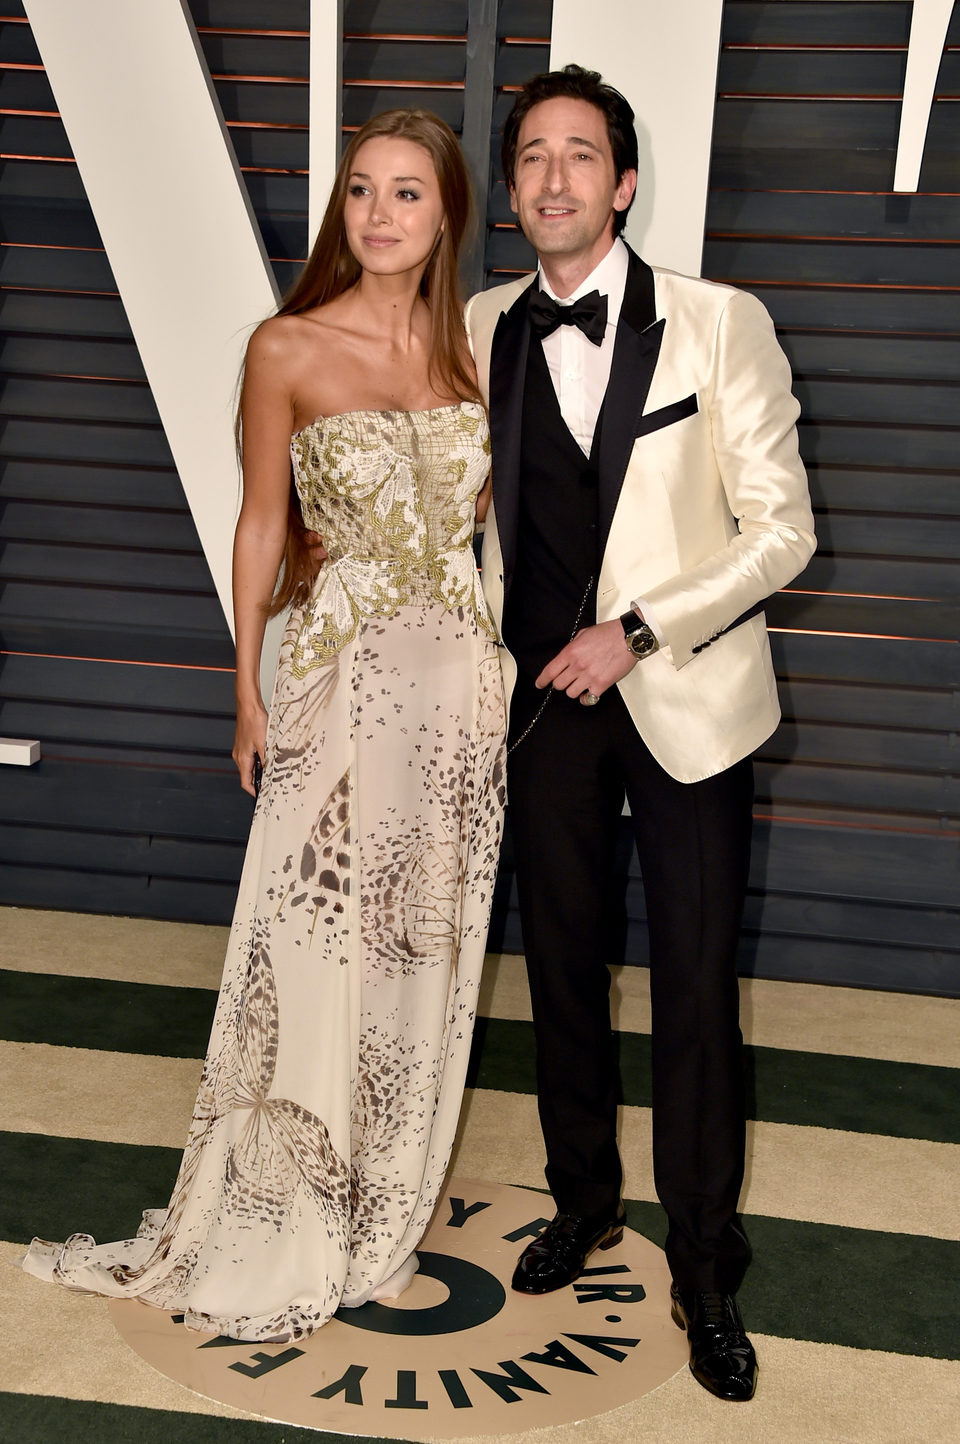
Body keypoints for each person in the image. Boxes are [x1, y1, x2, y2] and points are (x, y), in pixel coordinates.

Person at [21, 109, 506, 1342]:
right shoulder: (286, 344)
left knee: (423, 960)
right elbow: (259, 525)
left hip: (457, 698)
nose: (380, 214)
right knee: (306, 953)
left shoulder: (475, 351)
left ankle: (380, 1213)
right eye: (360, 192)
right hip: (341, 683)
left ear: (446, 213)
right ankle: (283, 1211)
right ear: (340, 210)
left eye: (406, 193)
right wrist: (248, 683)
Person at [464, 65, 815, 1402]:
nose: (553, 178)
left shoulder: (724, 324)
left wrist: (643, 631)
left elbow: (785, 531)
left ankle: (707, 1269)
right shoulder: (485, 323)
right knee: (559, 973)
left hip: (686, 701)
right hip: (543, 704)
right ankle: (582, 1204)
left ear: (623, 183)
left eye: (580, 156)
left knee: (693, 999)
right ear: (514, 192)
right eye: (532, 158)